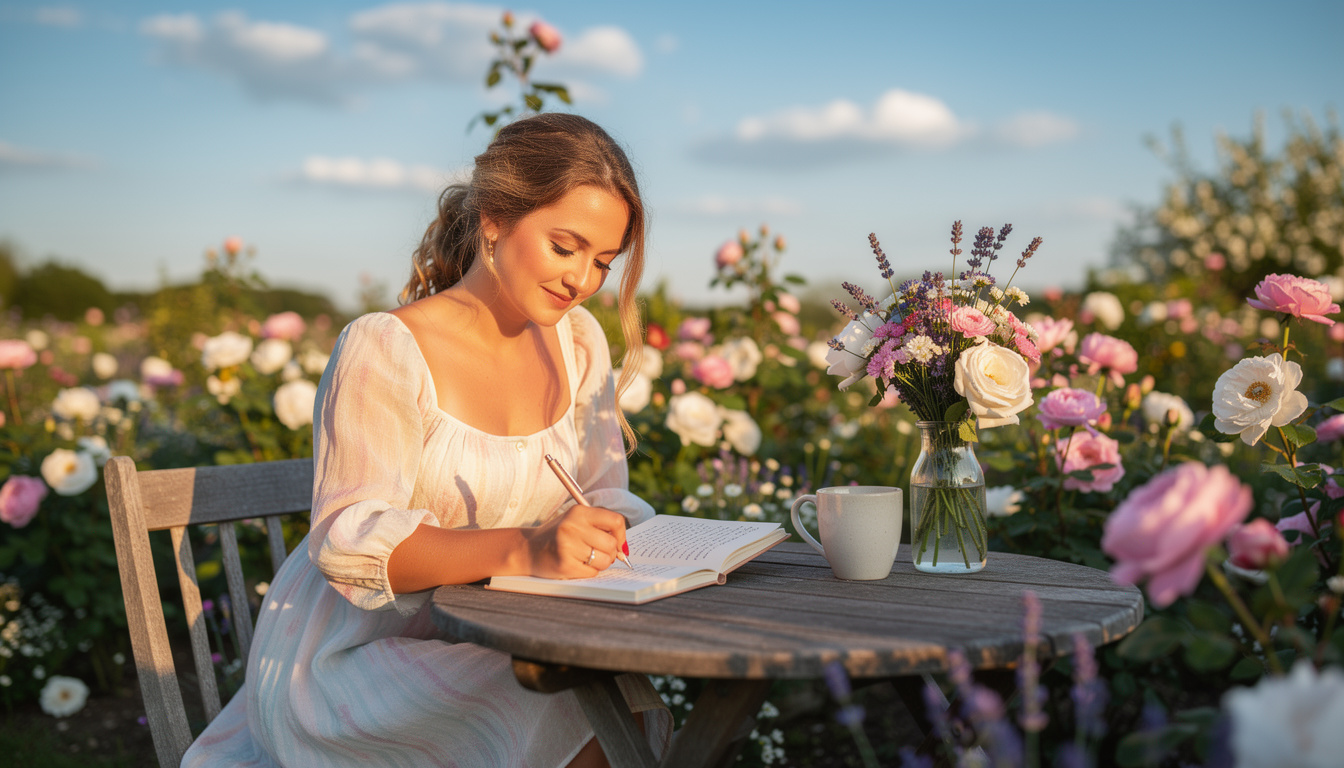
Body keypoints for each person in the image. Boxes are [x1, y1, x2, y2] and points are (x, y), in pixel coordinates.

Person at [184, 113, 671, 767]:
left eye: (603, 262)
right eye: (566, 247)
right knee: (563, 699)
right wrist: (530, 546)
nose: (582, 279)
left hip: (503, 639)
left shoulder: (578, 344)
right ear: (496, 216)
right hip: (349, 665)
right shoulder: (385, 348)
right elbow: (351, 542)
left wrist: (598, 535)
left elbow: (604, 498)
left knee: (613, 690)